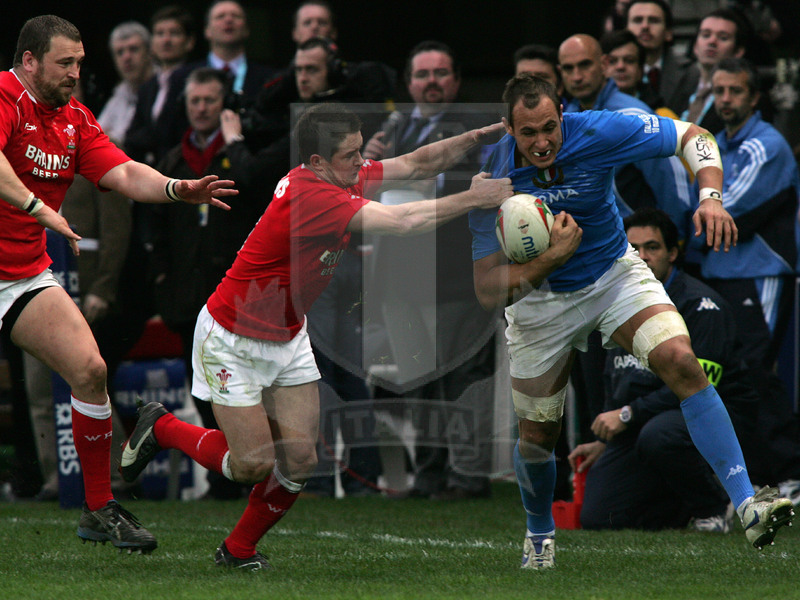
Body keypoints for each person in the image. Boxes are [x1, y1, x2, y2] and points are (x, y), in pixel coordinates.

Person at [119, 102, 511, 570]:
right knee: (252, 465)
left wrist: (473, 139)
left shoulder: (341, 176)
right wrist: (475, 198)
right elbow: (405, 222)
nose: (362, 163)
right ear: (318, 162)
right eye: (351, 155)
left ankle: (237, 549)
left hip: (286, 334)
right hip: (231, 336)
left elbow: (415, 164)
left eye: (361, 152)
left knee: (301, 460)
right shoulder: (314, 197)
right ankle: (162, 427)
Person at [468, 73, 794, 569]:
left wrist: (711, 197)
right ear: (508, 129)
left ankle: (748, 502)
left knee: (681, 361)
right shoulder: (490, 179)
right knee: (538, 434)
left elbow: (693, 137)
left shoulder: (596, 129)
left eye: (549, 127)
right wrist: (551, 259)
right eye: (528, 133)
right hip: (541, 301)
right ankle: (539, 534)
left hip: (612, 276)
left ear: (563, 113)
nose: (542, 142)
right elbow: (488, 287)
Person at [0, 14, 236, 552]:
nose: (75, 74)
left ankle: (98, 508)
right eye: (65, 63)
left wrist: (178, 188)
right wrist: (39, 207)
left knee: (90, 370)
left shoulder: (74, 119)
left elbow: (125, 172)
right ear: (29, 61)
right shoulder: (3, 95)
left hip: (19, 274)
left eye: (80, 63)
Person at [362, 41, 501, 500]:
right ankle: (429, 474)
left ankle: (466, 475)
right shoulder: (393, 131)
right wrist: (372, 162)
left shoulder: (477, 132)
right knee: (418, 378)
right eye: (423, 75)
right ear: (409, 83)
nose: (432, 82)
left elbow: (477, 190)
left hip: (458, 275)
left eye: (441, 73)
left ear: (457, 81)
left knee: (464, 378)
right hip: (400, 277)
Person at [569, 208, 760, 532]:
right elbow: (615, 375)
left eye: (652, 247)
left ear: (673, 253)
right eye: (633, 250)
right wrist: (604, 437)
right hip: (641, 421)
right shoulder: (616, 304)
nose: (642, 257)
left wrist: (628, 414)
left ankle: (714, 506)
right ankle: (683, 504)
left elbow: (702, 386)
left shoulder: (702, 306)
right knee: (599, 517)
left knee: (661, 435)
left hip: (707, 416)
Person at [150, 67, 271, 499]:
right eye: (194, 101)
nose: (201, 109)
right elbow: (155, 226)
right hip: (187, 297)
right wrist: (163, 277)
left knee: (246, 387)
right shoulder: (171, 161)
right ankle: (225, 475)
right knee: (203, 388)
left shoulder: (245, 155)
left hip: (239, 296)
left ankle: (249, 470)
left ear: (225, 106)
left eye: (209, 101)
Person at [692, 57, 800, 491]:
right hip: (720, 271)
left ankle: (791, 472)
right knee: (731, 373)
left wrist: (689, 220)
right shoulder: (717, 142)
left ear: (754, 97)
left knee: (758, 370)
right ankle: (757, 473)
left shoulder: (765, 145)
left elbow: (719, 211)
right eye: (719, 91)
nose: (726, 99)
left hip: (760, 274)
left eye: (735, 91)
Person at [124, 5, 197, 166]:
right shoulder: (147, 87)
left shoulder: (197, 80)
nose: (166, 40)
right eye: (160, 34)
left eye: (174, 33)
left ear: (189, 42)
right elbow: (132, 136)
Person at [666, 8, 750, 132]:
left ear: (738, 52)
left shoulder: (742, 95)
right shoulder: (682, 84)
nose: (712, 42)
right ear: (695, 46)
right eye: (706, 35)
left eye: (723, 37)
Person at [192, 1, 275, 101]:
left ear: (247, 29)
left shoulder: (269, 79)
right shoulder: (183, 77)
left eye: (236, 16)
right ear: (207, 30)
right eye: (220, 16)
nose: (228, 20)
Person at [96, 21, 153, 145]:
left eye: (133, 49)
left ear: (149, 52)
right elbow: (94, 136)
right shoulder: (120, 93)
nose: (126, 57)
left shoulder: (163, 87)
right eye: (120, 52)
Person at [625, 0, 690, 106]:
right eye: (637, 20)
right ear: (625, 30)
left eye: (654, 20)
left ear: (668, 33)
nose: (645, 26)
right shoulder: (610, 72)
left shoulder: (690, 74)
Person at [600, 29, 662, 110]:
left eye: (629, 61)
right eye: (612, 61)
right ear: (601, 68)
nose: (620, 66)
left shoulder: (660, 115)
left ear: (640, 70)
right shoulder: (584, 110)